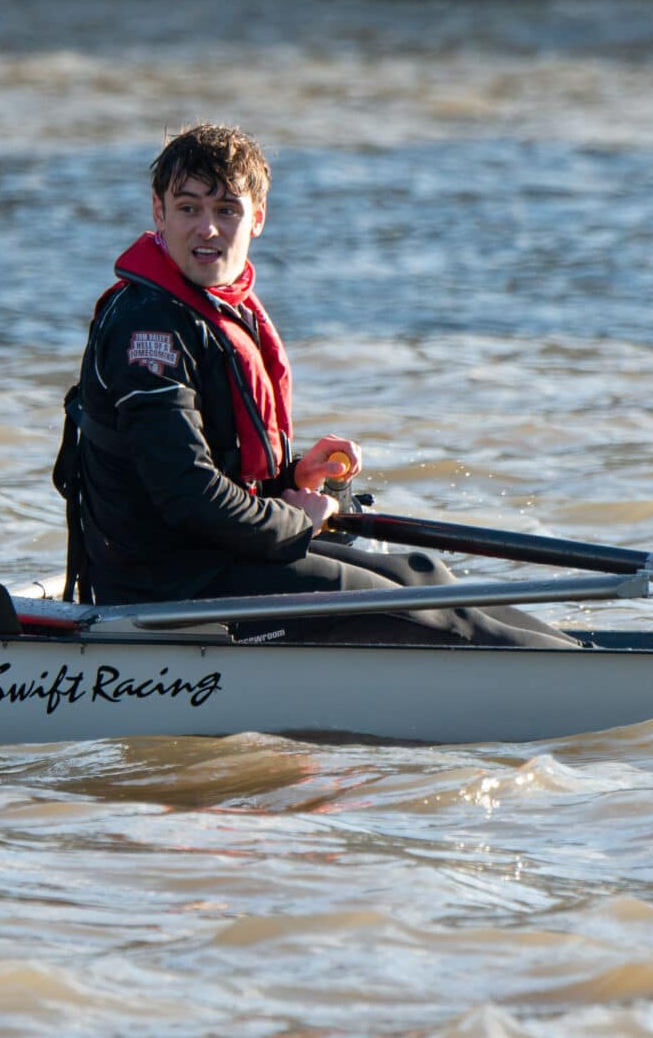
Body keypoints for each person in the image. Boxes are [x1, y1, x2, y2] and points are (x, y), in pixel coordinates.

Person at [57, 123, 580, 649]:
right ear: (159, 213)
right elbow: (186, 494)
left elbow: (213, 465)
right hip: (164, 587)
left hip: (213, 558)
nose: (207, 229)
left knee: (420, 573)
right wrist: (293, 521)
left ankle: (584, 656)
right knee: (421, 616)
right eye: (189, 208)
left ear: (256, 218)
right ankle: (584, 682)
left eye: (226, 211)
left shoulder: (217, 310)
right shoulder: (148, 329)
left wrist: (292, 474)